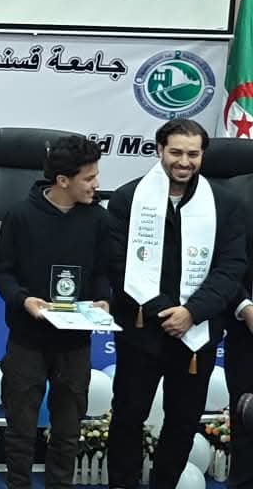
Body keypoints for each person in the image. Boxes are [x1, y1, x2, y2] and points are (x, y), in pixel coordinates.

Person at [106, 119, 246, 489]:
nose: (184, 162)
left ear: (203, 156)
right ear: (159, 151)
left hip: (197, 333)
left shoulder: (226, 204)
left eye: (193, 154)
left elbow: (231, 268)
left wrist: (191, 312)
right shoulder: (127, 199)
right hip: (141, 330)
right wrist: (162, 310)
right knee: (128, 416)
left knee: (183, 421)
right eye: (176, 152)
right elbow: (116, 263)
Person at [0, 135, 110, 489]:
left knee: (68, 430)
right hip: (27, 340)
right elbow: (3, 272)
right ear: (62, 181)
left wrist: (103, 299)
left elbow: (104, 271)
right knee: (20, 429)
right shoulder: (20, 215)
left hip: (75, 343)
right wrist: (23, 300)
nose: (96, 184)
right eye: (89, 178)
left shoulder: (99, 219)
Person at [226, 173, 253, 489]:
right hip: (247, 327)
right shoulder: (234, 195)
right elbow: (223, 264)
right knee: (247, 419)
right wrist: (245, 307)